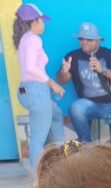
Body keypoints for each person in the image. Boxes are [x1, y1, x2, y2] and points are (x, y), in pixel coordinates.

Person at [56, 22, 111, 146]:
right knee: (75, 108)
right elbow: (61, 80)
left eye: (88, 39)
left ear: (98, 41)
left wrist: (102, 70)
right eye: (81, 39)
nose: (84, 42)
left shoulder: (110, 55)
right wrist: (64, 71)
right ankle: (87, 145)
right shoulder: (72, 56)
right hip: (90, 105)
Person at [12, 3, 64, 169]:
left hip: (24, 89)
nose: (44, 24)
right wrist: (52, 83)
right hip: (35, 89)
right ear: (34, 22)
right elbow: (30, 68)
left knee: (56, 114)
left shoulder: (23, 39)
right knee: (38, 137)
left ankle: (62, 157)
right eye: (42, 21)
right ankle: (37, 177)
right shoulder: (34, 40)